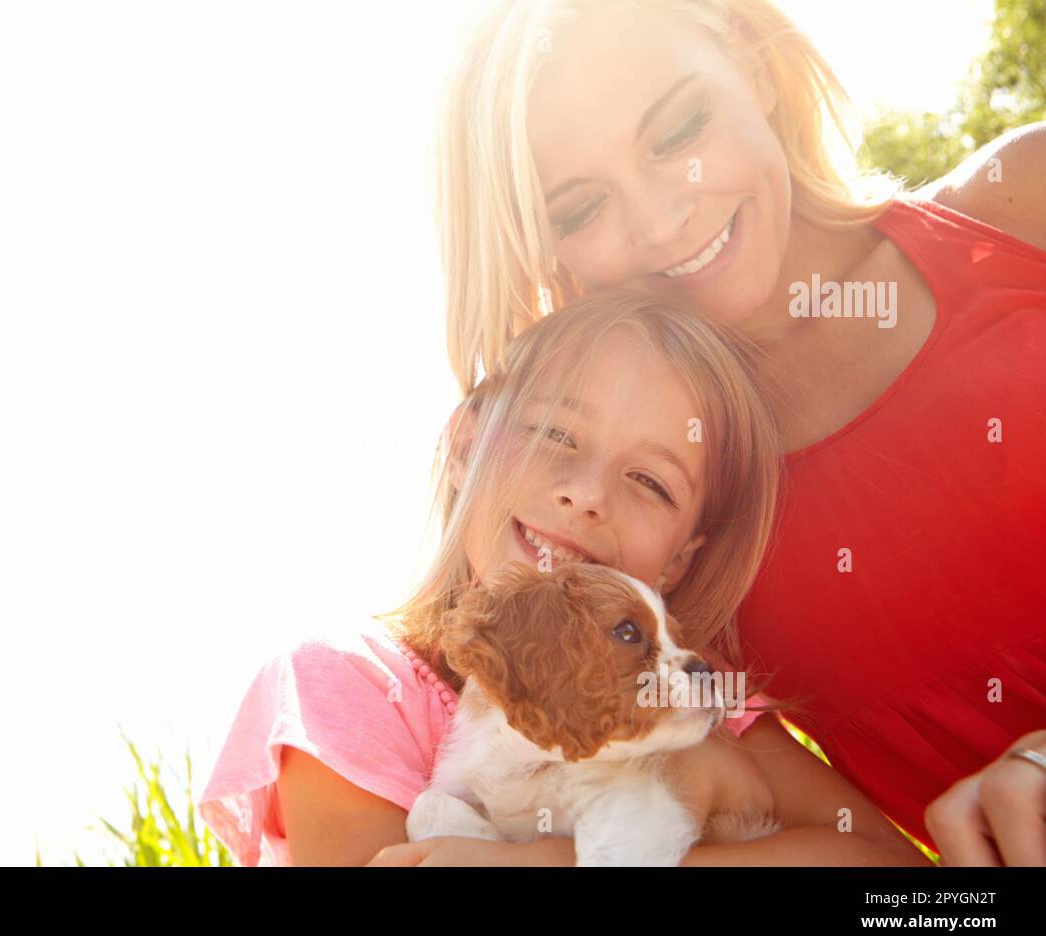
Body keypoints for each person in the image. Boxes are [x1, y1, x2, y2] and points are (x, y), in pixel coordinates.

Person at [434, 0, 1046, 863]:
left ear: (755, 59)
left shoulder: (1024, 200)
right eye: (579, 208)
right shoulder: (668, 536)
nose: (659, 221)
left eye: (678, 127)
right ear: (547, 252)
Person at [197, 290, 928, 866]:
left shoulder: (697, 706)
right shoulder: (349, 686)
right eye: (554, 433)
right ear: (465, 442)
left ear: (680, 559)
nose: (586, 494)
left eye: (650, 479)